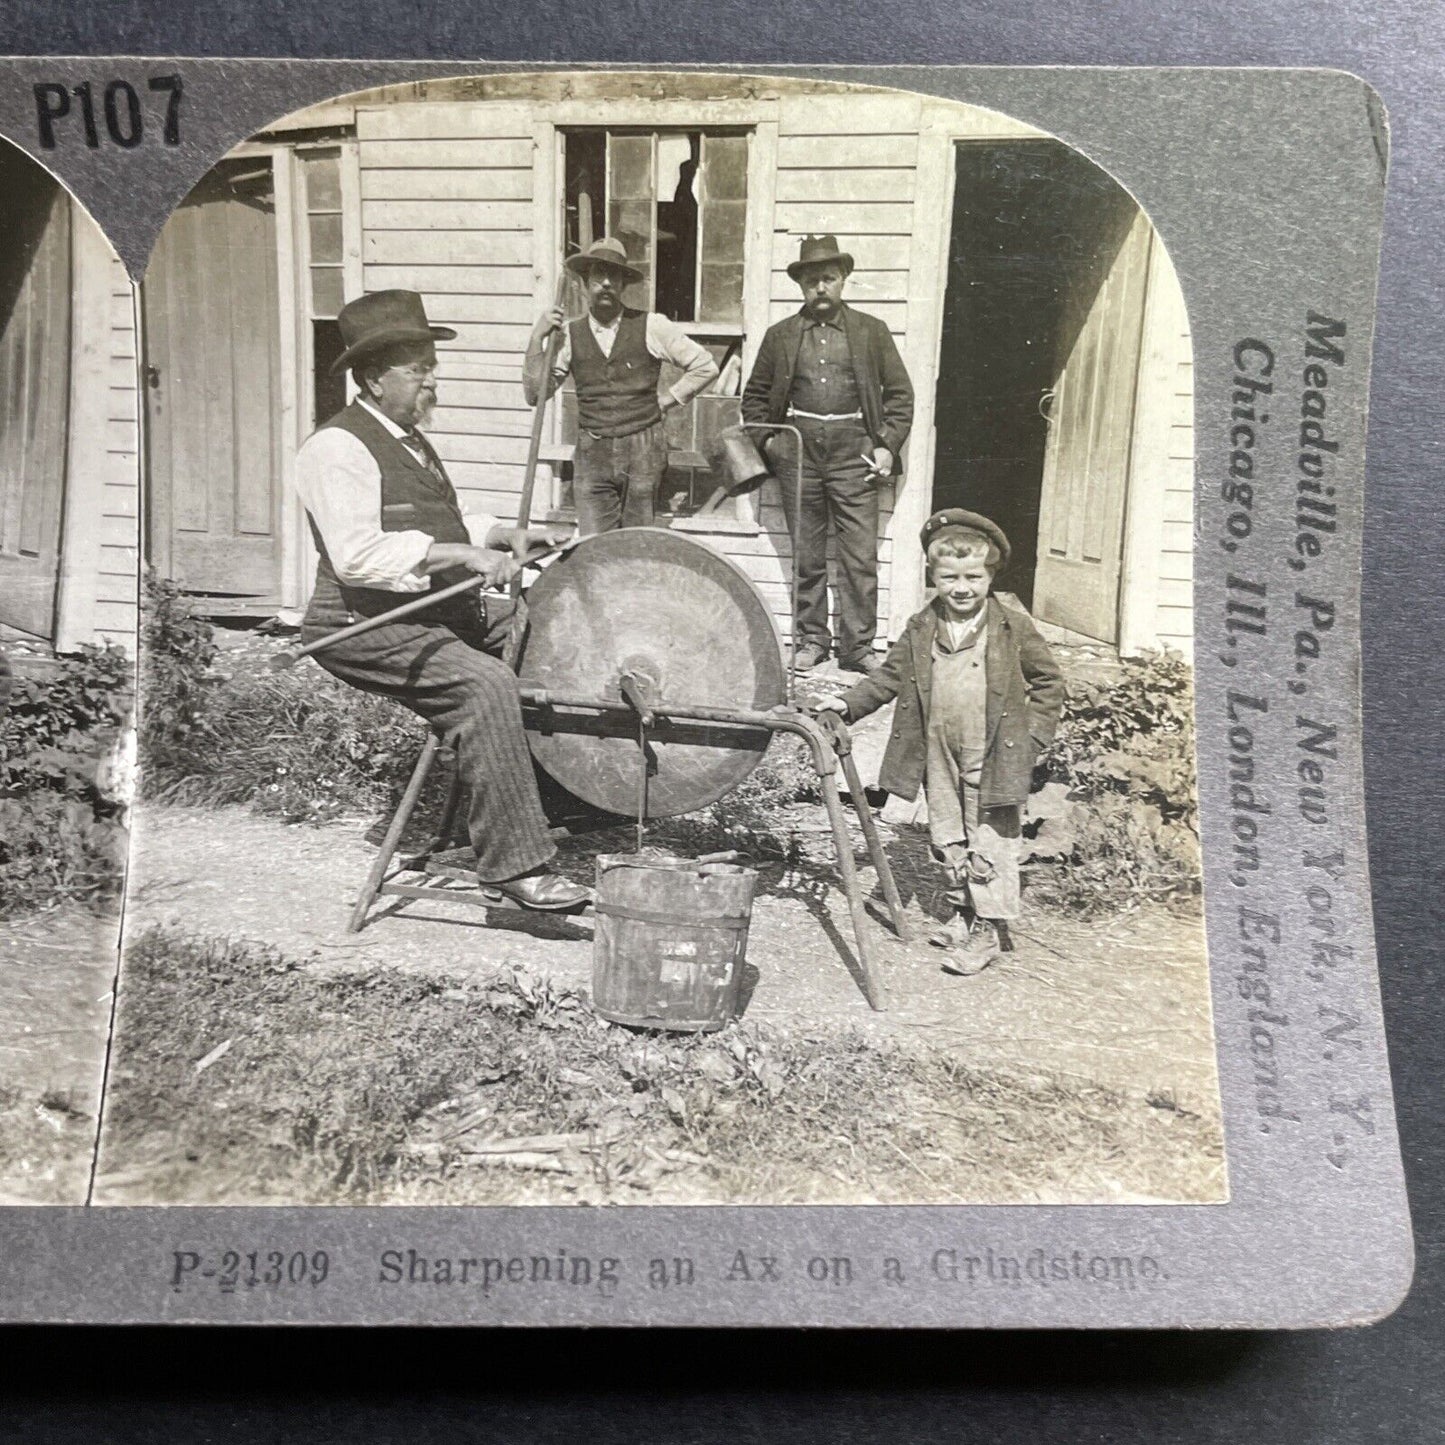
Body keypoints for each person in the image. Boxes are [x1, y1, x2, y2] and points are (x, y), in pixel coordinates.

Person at [294, 289, 588, 912]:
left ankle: (565, 800)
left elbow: (433, 520)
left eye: (432, 364)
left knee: (549, 632)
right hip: (361, 623)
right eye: (419, 368)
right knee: (482, 684)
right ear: (374, 377)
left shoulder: (405, 438)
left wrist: (498, 533)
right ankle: (513, 867)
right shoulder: (335, 448)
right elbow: (358, 555)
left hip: (431, 608)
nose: (434, 379)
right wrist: (466, 558)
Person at [816, 510, 1065, 974]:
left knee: (990, 837)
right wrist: (846, 704)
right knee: (948, 833)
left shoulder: (1010, 626)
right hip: (937, 752)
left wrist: (1031, 740)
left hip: (993, 753)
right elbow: (889, 676)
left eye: (974, 576)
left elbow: (1049, 683)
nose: (962, 587)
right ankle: (962, 912)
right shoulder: (922, 625)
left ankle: (990, 931)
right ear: (933, 577)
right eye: (950, 577)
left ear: (991, 574)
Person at [742, 234, 914, 675]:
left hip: (855, 455)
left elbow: (900, 396)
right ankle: (812, 640)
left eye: (829, 278)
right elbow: (755, 399)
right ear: (801, 285)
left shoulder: (870, 331)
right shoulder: (780, 336)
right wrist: (772, 444)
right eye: (812, 280)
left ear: (843, 281)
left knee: (859, 557)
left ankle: (857, 649)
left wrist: (886, 445)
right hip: (798, 453)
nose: (821, 287)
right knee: (807, 554)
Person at [523, 237, 719, 536]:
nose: (605, 282)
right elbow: (535, 394)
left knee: (636, 543)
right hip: (592, 453)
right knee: (595, 544)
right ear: (584, 283)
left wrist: (668, 400)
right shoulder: (568, 335)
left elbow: (705, 365)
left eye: (613, 275)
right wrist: (537, 338)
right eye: (597, 275)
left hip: (642, 450)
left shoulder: (652, 325)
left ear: (623, 283)